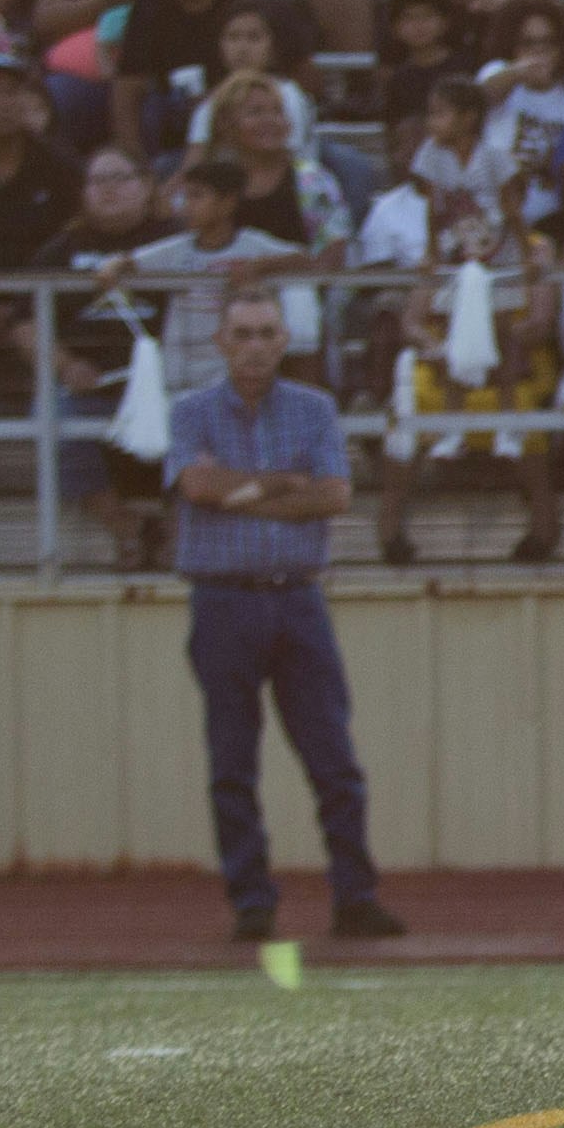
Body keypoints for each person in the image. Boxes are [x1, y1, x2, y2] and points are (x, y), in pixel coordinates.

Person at [167, 279, 397, 943]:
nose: (255, 347)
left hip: (297, 597)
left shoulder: (314, 409)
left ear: (284, 339)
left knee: (333, 758)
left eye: (267, 333)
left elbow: (330, 497)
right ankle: (252, 902)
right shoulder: (190, 411)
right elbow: (196, 485)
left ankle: (355, 898)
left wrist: (242, 494)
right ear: (220, 342)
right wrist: (281, 483)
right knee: (232, 760)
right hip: (222, 599)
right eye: (242, 334)